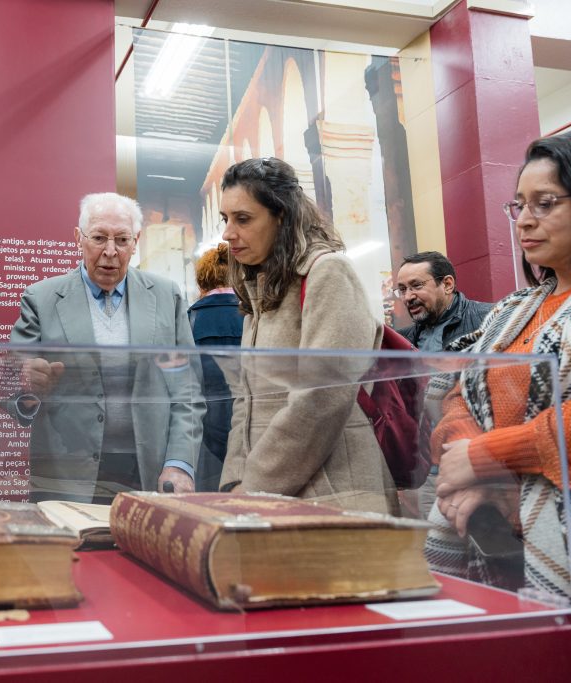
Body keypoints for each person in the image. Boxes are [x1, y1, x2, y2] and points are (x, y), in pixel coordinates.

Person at [428, 129, 571, 615]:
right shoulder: (512, 311)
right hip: (495, 534)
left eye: (545, 203)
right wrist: (477, 473)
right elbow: (458, 394)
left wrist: (485, 458)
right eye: (518, 205)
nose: (524, 221)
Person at [217, 157, 395, 514]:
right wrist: (235, 478)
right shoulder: (260, 284)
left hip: (333, 494)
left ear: (281, 216)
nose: (228, 233)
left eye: (243, 219)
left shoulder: (327, 273)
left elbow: (322, 400)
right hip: (269, 495)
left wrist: (255, 486)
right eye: (225, 219)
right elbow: (245, 398)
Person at [7, 192, 203, 502]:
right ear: (78, 237)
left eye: (122, 240)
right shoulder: (41, 299)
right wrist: (30, 392)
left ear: (136, 241)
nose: (110, 252)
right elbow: (13, 392)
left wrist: (179, 464)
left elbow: (187, 392)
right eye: (99, 238)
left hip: (149, 469)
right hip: (66, 474)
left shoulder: (167, 297)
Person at [188, 243, 244, 491]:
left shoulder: (187, 320)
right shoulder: (254, 317)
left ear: (202, 281)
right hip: (249, 434)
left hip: (203, 437)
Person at [393, 251, 493, 351]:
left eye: (417, 285)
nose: (407, 297)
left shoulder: (491, 319)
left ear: (447, 285)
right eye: (402, 289)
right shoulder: (400, 340)